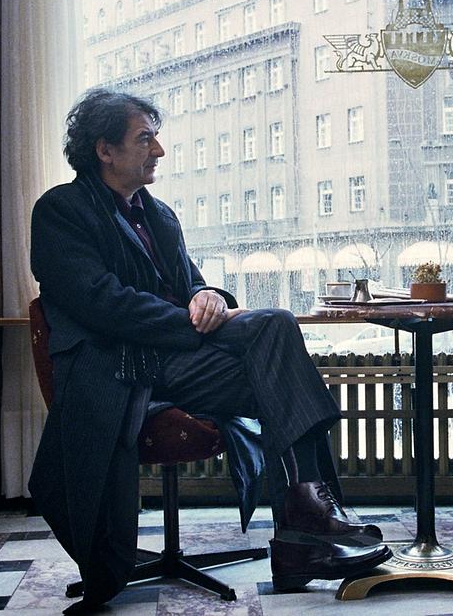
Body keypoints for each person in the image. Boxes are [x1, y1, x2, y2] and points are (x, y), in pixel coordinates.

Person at [28, 89, 390, 612]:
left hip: (176, 359)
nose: (159, 151)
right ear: (104, 149)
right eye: (144, 139)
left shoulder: (159, 216)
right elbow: (100, 303)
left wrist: (209, 298)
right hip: (118, 370)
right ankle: (304, 529)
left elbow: (193, 286)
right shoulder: (61, 210)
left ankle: (304, 525)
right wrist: (190, 322)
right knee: (279, 371)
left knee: (276, 331)